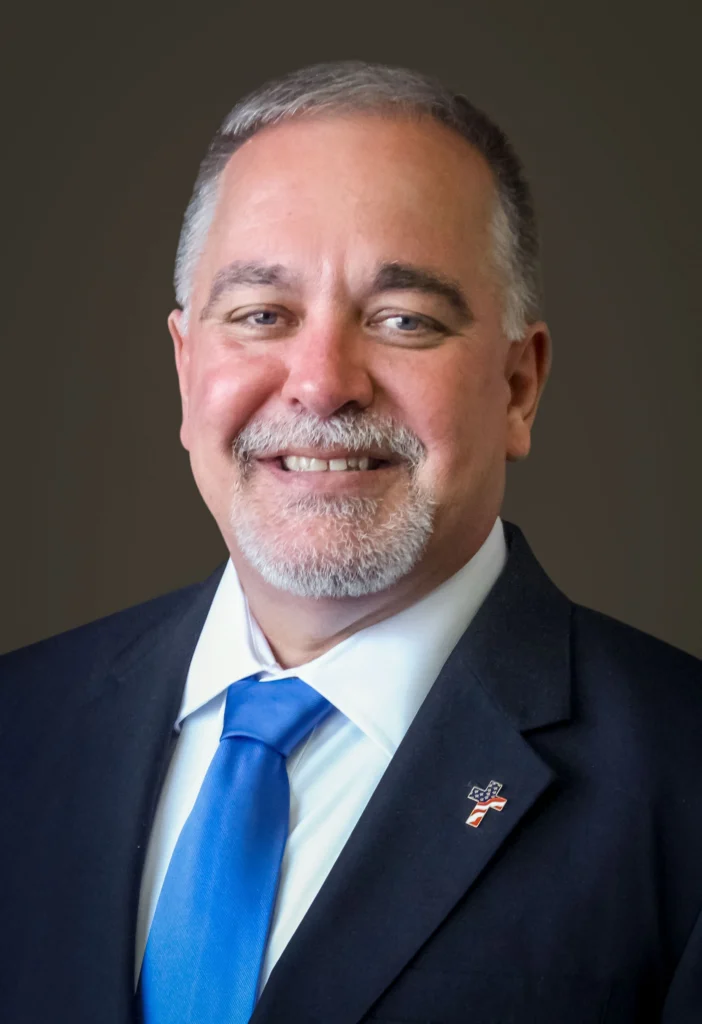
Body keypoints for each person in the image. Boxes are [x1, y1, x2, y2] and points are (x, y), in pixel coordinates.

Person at [1, 61, 700, 1024]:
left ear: (519, 387)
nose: (322, 383)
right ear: (185, 367)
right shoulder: (17, 725)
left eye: (403, 320)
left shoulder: (684, 779)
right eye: (261, 317)